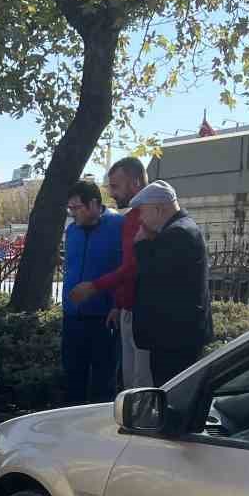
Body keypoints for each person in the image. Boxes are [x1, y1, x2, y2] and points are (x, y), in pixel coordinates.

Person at [72, 156, 149, 388]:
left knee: (138, 384)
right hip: (122, 312)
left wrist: (95, 287)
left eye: (115, 186)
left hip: (140, 314)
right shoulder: (130, 218)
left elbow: (131, 267)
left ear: (135, 182)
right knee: (129, 381)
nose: (112, 193)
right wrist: (119, 304)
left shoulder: (140, 219)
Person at [127, 180, 212, 384]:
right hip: (176, 336)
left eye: (142, 211)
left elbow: (153, 280)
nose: (140, 219)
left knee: (172, 393)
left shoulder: (177, 234)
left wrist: (141, 245)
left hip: (174, 339)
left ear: (158, 209)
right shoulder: (180, 229)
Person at [59, 178, 123, 403]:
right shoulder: (72, 231)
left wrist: (117, 305)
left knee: (103, 385)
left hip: (105, 319)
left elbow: (126, 270)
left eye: (77, 208)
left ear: (94, 203)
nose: (72, 213)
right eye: (70, 208)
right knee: (72, 381)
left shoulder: (119, 226)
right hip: (72, 318)